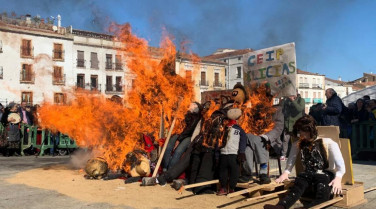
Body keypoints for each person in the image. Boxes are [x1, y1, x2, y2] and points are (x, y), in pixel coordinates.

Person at [264, 115, 345, 209]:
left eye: (301, 131)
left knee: (322, 193)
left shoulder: (328, 142)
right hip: (307, 173)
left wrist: (338, 178)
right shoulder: (299, 143)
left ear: (309, 130)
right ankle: (281, 206)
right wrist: (286, 172)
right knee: (297, 187)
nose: (299, 134)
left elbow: (341, 164)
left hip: (325, 173)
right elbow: (292, 158)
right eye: (298, 131)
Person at [239, 84, 284, 184]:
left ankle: (251, 173)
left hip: (271, 142)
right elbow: (250, 125)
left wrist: (267, 137)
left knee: (251, 140)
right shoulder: (256, 110)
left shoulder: (277, 110)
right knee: (247, 144)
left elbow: (278, 128)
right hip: (254, 139)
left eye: (266, 97)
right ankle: (258, 172)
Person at [162, 102, 202, 171]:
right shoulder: (186, 114)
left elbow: (188, 130)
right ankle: (165, 168)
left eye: (192, 105)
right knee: (168, 146)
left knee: (178, 151)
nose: (189, 105)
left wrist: (179, 139)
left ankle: (170, 170)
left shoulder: (196, 117)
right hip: (180, 134)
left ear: (196, 108)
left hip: (189, 136)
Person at [217, 108, 247, 195]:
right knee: (223, 171)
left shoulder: (239, 130)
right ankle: (223, 187)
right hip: (223, 153)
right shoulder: (223, 129)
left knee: (235, 171)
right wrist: (217, 154)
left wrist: (241, 152)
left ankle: (232, 188)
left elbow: (243, 141)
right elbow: (218, 142)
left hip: (234, 154)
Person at [281, 93, 305, 161]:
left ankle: (299, 154)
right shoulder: (287, 100)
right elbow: (283, 109)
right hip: (287, 124)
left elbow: (299, 109)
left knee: (297, 140)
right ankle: (283, 154)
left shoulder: (301, 100)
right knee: (285, 140)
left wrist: (293, 101)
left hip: (296, 124)